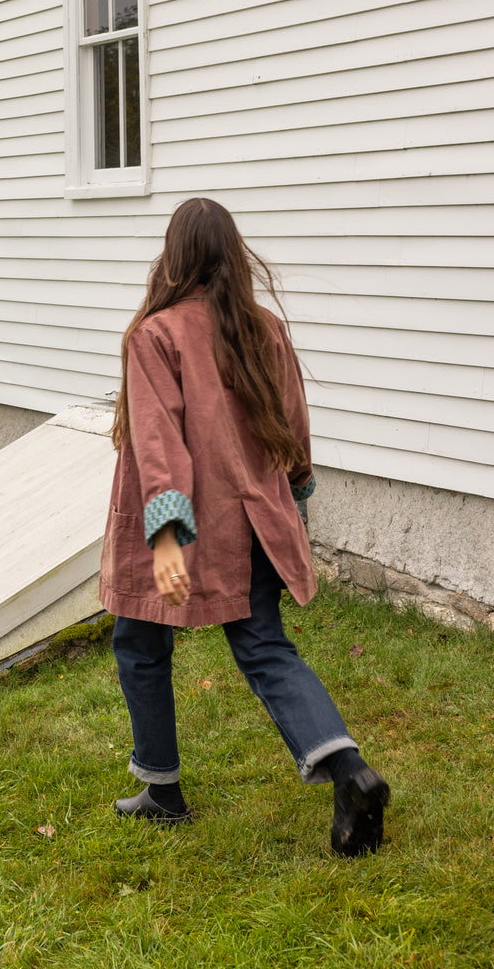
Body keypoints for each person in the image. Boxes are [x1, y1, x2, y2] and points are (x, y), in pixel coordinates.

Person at [99, 197, 389, 857]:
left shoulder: (156, 334)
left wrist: (167, 534)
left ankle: (164, 791)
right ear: (233, 253)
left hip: (185, 521)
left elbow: (156, 438)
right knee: (263, 647)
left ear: (173, 257)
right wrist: (295, 494)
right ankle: (351, 771)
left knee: (139, 640)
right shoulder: (265, 328)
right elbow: (294, 428)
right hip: (256, 516)